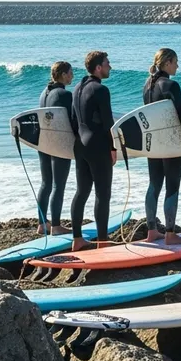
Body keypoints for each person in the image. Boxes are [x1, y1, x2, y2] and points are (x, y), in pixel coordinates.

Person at [143, 48, 181, 245]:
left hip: (153, 145)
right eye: (175, 62)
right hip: (171, 144)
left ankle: (151, 231)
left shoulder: (147, 85)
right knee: (172, 186)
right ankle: (170, 233)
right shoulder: (171, 85)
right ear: (167, 63)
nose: (177, 65)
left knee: (154, 184)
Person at [70, 51, 116, 250]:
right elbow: (108, 123)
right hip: (98, 145)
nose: (110, 67)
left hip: (80, 145)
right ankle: (103, 242)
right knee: (102, 194)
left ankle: (77, 239)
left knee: (82, 192)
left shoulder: (77, 88)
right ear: (98, 67)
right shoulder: (100, 89)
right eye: (107, 63)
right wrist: (113, 147)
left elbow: (73, 120)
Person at [36, 61, 74, 235]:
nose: (72, 76)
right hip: (58, 144)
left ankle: (42, 224)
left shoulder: (45, 92)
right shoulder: (64, 94)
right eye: (71, 73)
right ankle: (57, 226)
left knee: (46, 183)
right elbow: (71, 121)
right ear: (64, 74)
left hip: (43, 142)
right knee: (59, 185)